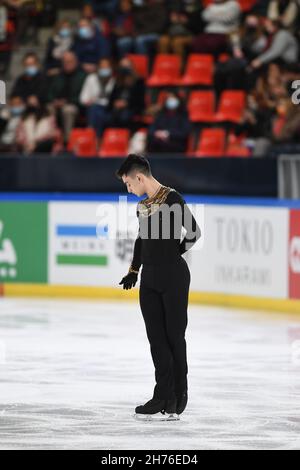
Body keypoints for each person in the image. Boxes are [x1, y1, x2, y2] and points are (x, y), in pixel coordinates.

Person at [116, 154, 201, 419]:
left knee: (174, 337)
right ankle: (160, 395)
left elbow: (194, 232)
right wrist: (133, 270)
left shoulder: (173, 199)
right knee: (156, 340)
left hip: (174, 277)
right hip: (149, 280)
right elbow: (142, 239)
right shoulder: (142, 207)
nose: (129, 190)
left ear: (139, 177)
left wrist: (172, 255)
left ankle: (178, 395)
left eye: (129, 184)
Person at [47, 51, 86, 142]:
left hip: (75, 106)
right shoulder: (57, 76)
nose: (67, 64)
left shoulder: (83, 76)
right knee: (48, 108)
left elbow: (84, 97)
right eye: (65, 62)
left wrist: (67, 101)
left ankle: (67, 140)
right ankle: (51, 139)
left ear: (76, 62)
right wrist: (54, 101)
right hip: (57, 104)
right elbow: (49, 93)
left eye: (70, 61)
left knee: (67, 110)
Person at [79, 57, 116, 136]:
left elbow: (112, 99)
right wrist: (88, 101)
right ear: (98, 67)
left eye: (107, 67)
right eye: (102, 67)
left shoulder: (114, 81)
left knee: (99, 112)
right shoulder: (91, 78)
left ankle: (93, 136)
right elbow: (83, 98)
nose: (104, 69)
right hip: (93, 108)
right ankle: (95, 136)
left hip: (108, 109)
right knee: (96, 110)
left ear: (111, 68)